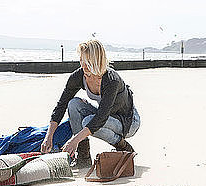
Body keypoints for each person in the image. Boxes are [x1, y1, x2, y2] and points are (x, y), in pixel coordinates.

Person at [41, 39, 141, 168]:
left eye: (87, 61)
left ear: (97, 60)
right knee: (73, 104)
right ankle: (83, 157)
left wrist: (74, 140)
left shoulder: (111, 79)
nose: (83, 65)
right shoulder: (79, 76)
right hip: (107, 117)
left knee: (88, 121)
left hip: (128, 122)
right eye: (81, 60)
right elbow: (61, 105)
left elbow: (101, 117)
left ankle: (123, 146)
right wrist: (49, 136)